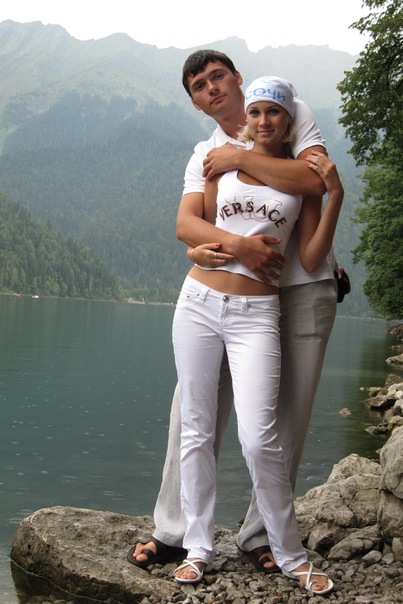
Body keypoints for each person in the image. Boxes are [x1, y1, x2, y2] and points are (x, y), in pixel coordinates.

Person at [128, 49, 338, 578]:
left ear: (238, 78)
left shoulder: (288, 109)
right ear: (196, 103)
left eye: (218, 76)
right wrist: (223, 246)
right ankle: (177, 532)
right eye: (199, 86)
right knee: (192, 414)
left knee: (279, 421)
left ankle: (263, 537)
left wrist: (239, 159)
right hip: (214, 296)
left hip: (298, 286)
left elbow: (314, 181)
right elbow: (190, 224)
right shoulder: (206, 152)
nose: (212, 88)